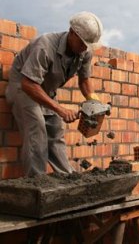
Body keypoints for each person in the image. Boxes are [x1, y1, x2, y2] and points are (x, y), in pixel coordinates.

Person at [5, 11, 103, 177]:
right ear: (72, 32)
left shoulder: (85, 51)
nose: (85, 48)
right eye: (82, 43)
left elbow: (84, 80)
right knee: (37, 129)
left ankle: (68, 178)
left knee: (55, 131)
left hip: (45, 91)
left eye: (88, 45)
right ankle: (38, 182)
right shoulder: (45, 45)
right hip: (23, 87)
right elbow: (28, 83)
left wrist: (95, 102)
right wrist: (60, 109)